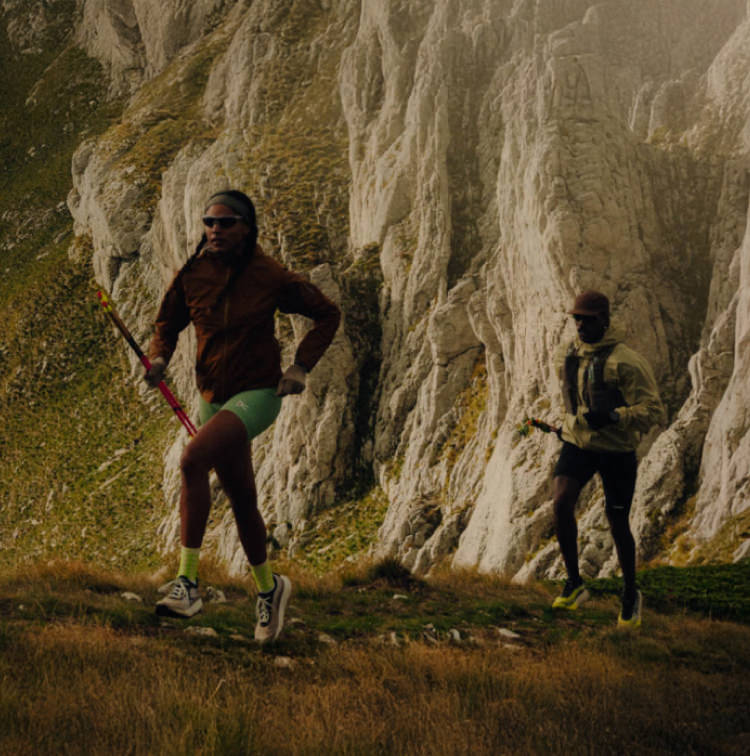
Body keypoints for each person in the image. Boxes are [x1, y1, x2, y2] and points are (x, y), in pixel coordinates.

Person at [144, 189, 341, 643]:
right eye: (209, 222)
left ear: (247, 228)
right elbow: (167, 324)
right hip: (211, 398)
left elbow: (327, 314)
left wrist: (300, 367)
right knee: (241, 498)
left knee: (192, 459)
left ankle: (188, 584)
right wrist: (158, 359)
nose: (215, 230)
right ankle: (270, 589)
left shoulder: (269, 275)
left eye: (226, 222)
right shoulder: (193, 273)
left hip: (258, 394)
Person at [551, 290, 664, 628]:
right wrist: (568, 424)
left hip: (616, 450)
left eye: (587, 319)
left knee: (617, 520)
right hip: (578, 442)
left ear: (604, 319)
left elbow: (653, 410)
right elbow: (573, 395)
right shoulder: (567, 353)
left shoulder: (627, 361)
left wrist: (615, 416)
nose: (580, 325)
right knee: (561, 502)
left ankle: (630, 593)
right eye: (577, 318)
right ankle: (575, 583)